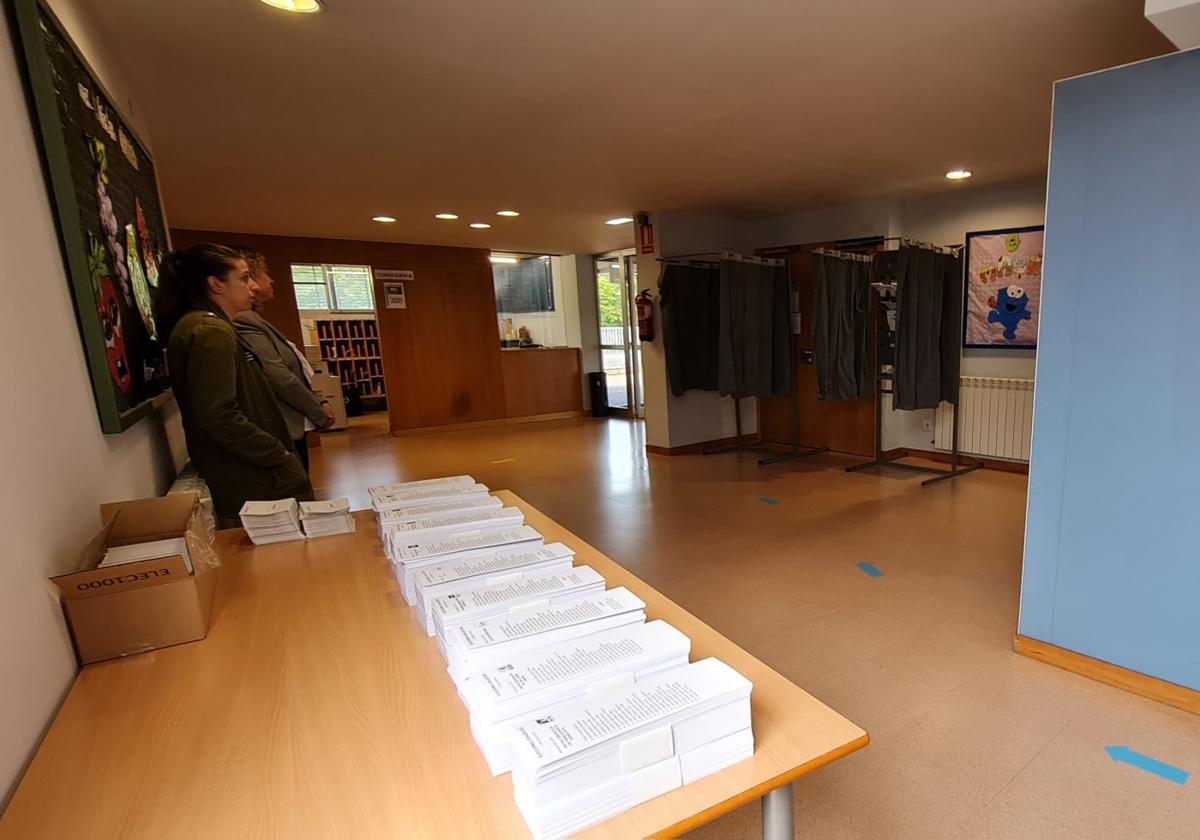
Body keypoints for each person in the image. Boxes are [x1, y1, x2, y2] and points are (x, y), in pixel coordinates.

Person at [156, 244, 313, 526]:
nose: (253, 286)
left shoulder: (212, 326)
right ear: (215, 284)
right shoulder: (209, 332)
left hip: (254, 466)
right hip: (251, 471)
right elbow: (218, 414)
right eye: (243, 278)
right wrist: (277, 453)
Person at [233, 249, 335, 471]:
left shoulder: (255, 319)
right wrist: (317, 411)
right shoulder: (244, 321)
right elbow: (278, 375)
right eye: (264, 273)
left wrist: (318, 402)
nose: (270, 280)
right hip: (281, 425)